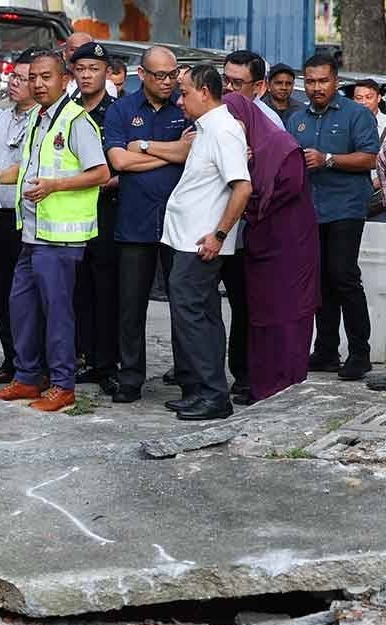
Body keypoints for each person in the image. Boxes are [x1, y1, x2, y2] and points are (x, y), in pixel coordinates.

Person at [0, 51, 110, 412]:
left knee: (57, 312)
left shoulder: (76, 121)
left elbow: (101, 173)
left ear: (64, 80)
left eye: (46, 77)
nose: (38, 84)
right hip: (33, 233)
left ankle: (62, 385)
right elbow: (27, 168)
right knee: (21, 306)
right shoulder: (38, 118)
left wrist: (55, 186)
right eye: (33, 78)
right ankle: (27, 377)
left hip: (61, 237)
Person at [162, 66, 252, 421]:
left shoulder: (223, 130)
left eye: (184, 92)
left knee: (193, 317)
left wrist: (219, 235)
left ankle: (213, 395)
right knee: (204, 316)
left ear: (204, 92)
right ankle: (202, 391)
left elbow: (242, 187)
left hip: (201, 242)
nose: (179, 100)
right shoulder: (207, 128)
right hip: (188, 237)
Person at [103, 46, 191, 403]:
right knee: (131, 305)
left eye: (173, 75)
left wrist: (141, 147)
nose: (168, 82)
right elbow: (119, 162)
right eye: (160, 75)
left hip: (178, 221)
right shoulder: (121, 110)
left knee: (182, 304)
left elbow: (189, 153)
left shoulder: (184, 107)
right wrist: (169, 153)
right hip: (134, 221)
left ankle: (187, 376)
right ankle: (130, 378)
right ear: (142, 75)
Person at [289, 53, 379, 381]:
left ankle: (360, 353)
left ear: (336, 81)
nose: (316, 87)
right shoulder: (297, 119)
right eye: (311, 81)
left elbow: (369, 158)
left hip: (346, 208)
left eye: (323, 81)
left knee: (343, 275)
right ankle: (326, 351)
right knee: (320, 281)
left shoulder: (357, 114)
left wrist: (328, 158)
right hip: (310, 210)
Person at [224, 93, 320, 401]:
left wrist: (249, 202)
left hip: (290, 245)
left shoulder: (282, 147)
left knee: (287, 315)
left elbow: (287, 189)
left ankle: (286, 386)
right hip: (260, 245)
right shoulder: (240, 149)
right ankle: (261, 385)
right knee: (260, 315)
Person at [221, 49, 285, 402]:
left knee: (247, 306)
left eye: (238, 83)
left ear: (259, 87)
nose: (229, 89)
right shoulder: (214, 113)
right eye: (225, 80)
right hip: (211, 226)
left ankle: (247, 375)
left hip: (249, 231)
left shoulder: (269, 124)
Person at [0, 48, 39, 385]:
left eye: (24, 79)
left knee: (26, 295)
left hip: (27, 217)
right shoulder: (1, 118)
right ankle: (13, 362)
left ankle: (32, 365)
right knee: (2, 294)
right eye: (14, 76)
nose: (15, 83)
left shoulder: (42, 121)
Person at [69, 42, 120, 394]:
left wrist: (104, 182)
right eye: (81, 69)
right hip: (73, 208)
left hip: (108, 208)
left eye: (94, 69)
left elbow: (125, 165)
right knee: (80, 287)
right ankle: (85, 356)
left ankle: (108, 363)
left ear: (107, 73)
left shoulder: (117, 112)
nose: (87, 75)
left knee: (108, 288)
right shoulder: (68, 111)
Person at [223, 50, 285, 129]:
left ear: (257, 86)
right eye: (225, 79)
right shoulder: (214, 110)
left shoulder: (269, 122)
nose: (228, 87)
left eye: (237, 82)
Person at [63, 32, 119, 98]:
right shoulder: (57, 79)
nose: (78, 53)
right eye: (73, 49)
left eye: (94, 69)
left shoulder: (105, 85)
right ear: (64, 53)